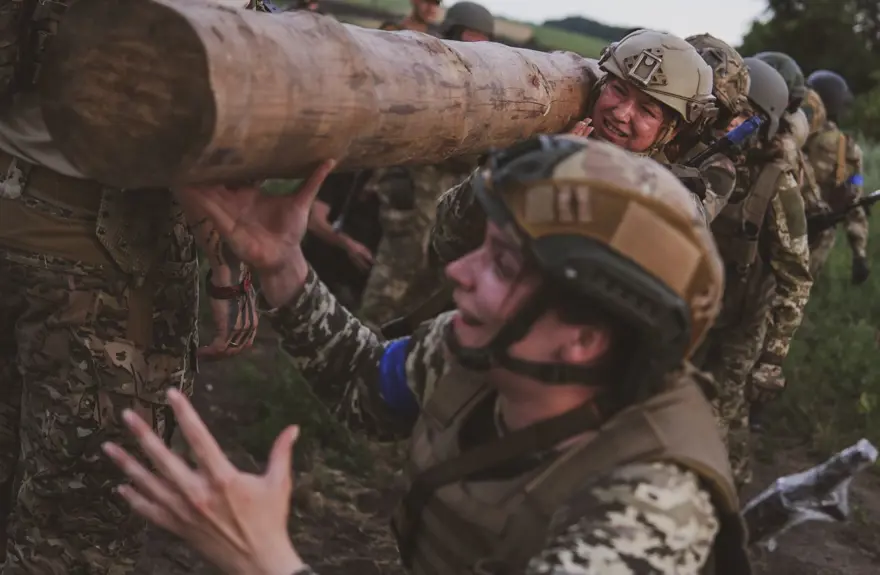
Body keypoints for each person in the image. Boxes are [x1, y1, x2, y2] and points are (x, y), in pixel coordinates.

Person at [103, 136, 751, 575]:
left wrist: (267, 558)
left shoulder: (650, 507)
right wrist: (284, 268)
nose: (461, 271)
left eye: (501, 262)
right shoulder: (478, 346)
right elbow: (367, 386)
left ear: (585, 337)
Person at [0, 1, 268, 572]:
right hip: (109, 264)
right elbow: (189, 106)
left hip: (14, 202)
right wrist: (228, 263)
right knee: (75, 535)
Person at [430, 29, 724, 274]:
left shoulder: (675, 204)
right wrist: (529, 168)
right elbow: (446, 239)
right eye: (618, 90)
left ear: (671, 130)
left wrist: (573, 177)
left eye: (646, 110)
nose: (621, 113)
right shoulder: (546, 144)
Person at [694, 57, 812, 488]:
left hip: (741, 319)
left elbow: (796, 275)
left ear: (765, 124)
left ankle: (730, 488)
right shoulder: (697, 152)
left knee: (719, 411)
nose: (730, 125)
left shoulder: (775, 180)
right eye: (727, 112)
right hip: (690, 307)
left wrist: (773, 357)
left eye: (744, 118)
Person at [358, 2, 495, 328]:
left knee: (434, 274)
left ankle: (396, 345)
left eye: (482, 39)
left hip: (449, 189)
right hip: (412, 180)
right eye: (469, 36)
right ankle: (362, 340)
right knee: (399, 266)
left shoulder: (488, 78)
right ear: (452, 33)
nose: (475, 45)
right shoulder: (430, 65)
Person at [802, 70, 870, 283]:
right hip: (820, 231)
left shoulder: (793, 133)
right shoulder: (846, 146)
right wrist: (859, 254)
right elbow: (853, 197)